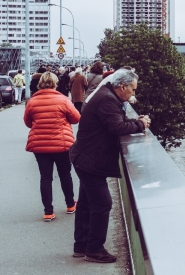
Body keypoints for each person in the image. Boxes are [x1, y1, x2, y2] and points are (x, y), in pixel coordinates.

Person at [69, 69, 150, 263]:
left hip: (86, 156)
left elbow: (114, 121)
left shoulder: (107, 95)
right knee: (103, 204)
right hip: (90, 160)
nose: (134, 94)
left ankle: (81, 246)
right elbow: (117, 127)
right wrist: (142, 125)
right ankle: (94, 249)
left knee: (87, 204)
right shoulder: (108, 99)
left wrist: (134, 121)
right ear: (122, 86)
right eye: (133, 89)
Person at [24, 72, 81, 222]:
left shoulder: (32, 101)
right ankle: (70, 205)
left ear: (40, 83)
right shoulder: (63, 100)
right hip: (62, 144)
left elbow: (28, 123)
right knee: (65, 174)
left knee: (45, 177)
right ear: (55, 83)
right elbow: (76, 118)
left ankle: (48, 212)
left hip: (40, 145)